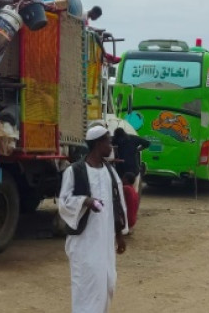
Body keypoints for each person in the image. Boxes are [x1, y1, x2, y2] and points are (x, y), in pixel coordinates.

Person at [58, 125, 128, 313]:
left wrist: (119, 234)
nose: (111, 145)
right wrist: (85, 201)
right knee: (86, 287)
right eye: (108, 141)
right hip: (84, 243)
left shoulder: (110, 171)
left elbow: (117, 204)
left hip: (104, 242)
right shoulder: (75, 171)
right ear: (98, 143)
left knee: (107, 284)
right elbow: (63, 203)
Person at [111, 127, 150, 192]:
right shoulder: (133, 138)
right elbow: (147, 143)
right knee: (133, 192)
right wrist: (137, 150)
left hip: (121, 171)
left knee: (121, 193)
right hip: (134, 170)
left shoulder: (114, 140)